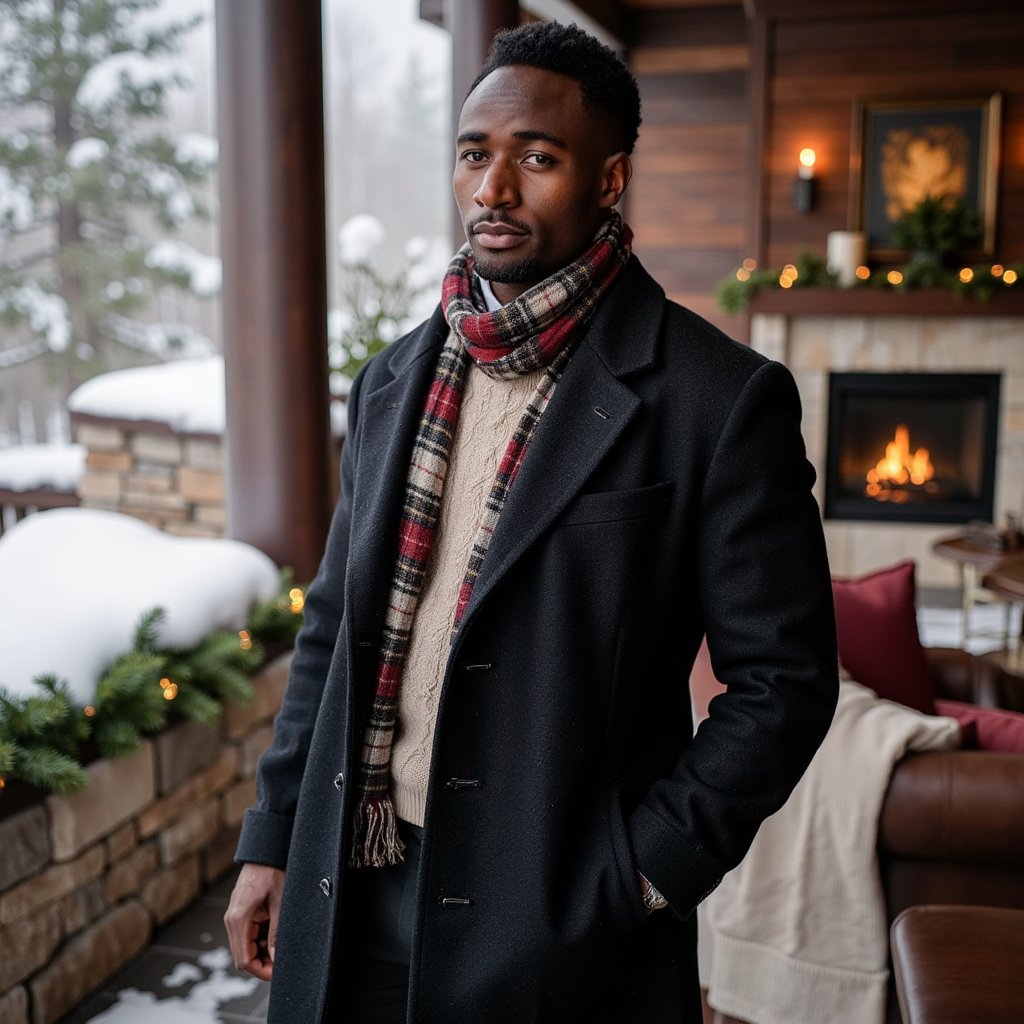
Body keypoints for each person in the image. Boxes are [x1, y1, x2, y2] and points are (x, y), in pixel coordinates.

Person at [225, 20, 839, 1024]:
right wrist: (273, 833)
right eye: (475, 154)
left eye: (536, 158)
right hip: (351, 880)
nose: (491, 190)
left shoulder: (715, 399)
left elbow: (786, 681)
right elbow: (335, 624)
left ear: (609, 179)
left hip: (557, 924)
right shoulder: (393, 380)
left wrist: (641, 871)